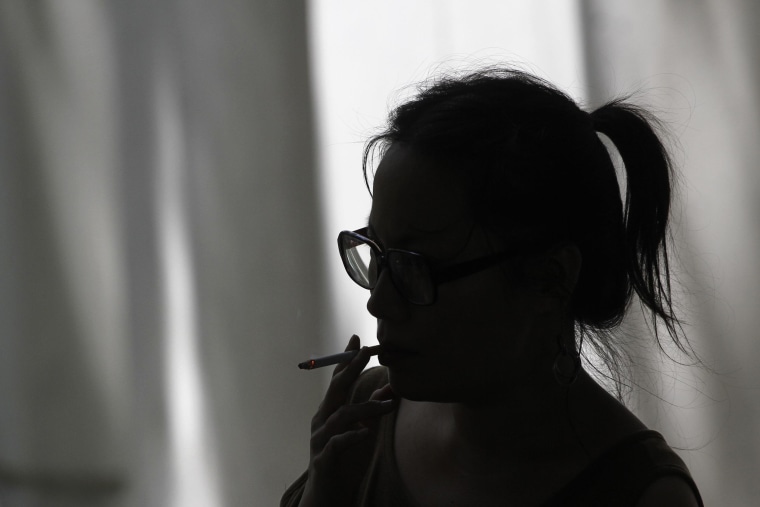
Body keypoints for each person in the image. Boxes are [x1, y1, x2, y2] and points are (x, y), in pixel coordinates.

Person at [281, 68, 704, 506]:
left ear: (549, 278)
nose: (378, 301)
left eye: (415, 266)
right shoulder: (364, 419)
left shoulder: (640, 495)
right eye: (376, 253)